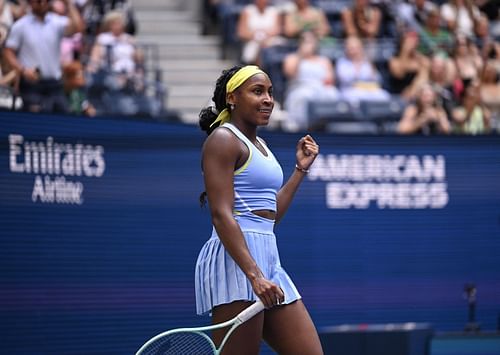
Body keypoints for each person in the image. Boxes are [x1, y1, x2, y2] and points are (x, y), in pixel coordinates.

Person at [195, 65, 323, 355]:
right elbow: (221, 215)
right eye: (257, 91)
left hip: (268, 260)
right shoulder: (223, 140)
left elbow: (270, 216)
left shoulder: (261, 144)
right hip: (237, 262)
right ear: (232, 98)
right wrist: (254, 276)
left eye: (269, 92)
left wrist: (299, 171)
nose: (268, 99)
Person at [3, 0, 84, 113]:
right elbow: (8, 51)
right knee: (33, 121)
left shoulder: (56, 22)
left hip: (54, 84)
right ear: (31, 3)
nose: (42, 4)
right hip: (31, 84)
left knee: (63, 118)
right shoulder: (21, 25)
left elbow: (77, 27)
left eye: (45, 1)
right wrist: (23, 70)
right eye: (38, 1)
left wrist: (68, 4)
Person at [283, 31, 339, 131]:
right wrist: (300, 55)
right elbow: (290, 74)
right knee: (305, 95)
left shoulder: (324, 60)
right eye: (305, 41)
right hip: (300, 87)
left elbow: (331, 78)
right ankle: (302, 127)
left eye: (311, 41)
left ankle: (327, 126)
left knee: (333, 93)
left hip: (320, 88)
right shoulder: (292, 58)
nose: (308, 44)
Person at [335, 36, 390, 103]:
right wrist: (356, 65)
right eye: (351, 48)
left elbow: (377, 79)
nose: (354, 51)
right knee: (353, 99)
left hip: (367, 90)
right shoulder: (342, 62)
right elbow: (344, 79)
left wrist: (370, 65)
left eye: (356, 48)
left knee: (384, 96)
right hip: (350, 90)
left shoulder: (367, 61)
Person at [237, 0, 283, 65]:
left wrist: (264, 37)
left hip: (270, 41)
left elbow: (277, 30)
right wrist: (257, 36)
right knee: (254, 48)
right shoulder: (247, 11)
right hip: (252, 41)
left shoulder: (274, 11)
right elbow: (241, 32)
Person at [389, 30, 430, 99]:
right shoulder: (394, 59)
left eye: (414, 41)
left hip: (414, 94)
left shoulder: (419, 59)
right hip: (396, 93)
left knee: (423, 74)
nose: (411, 43)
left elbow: (426, 68)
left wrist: (411, 90)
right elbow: (398, 73)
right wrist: (405, 51)